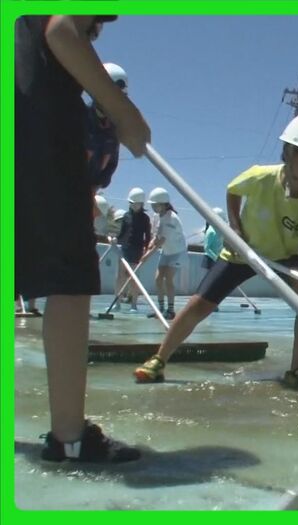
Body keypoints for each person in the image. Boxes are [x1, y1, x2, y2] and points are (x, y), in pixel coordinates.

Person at [133, 111, 298, 388]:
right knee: (199, 305)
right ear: (292, 152)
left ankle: (297, 368)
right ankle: (159, 360)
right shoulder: (260, 177)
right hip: (242, 253)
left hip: (285, 257)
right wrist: (236, 230)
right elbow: (232, 190)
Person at [16, 15, 150, 462]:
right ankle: (69, 439)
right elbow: (61, 28)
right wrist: (124, 112)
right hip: (36, 131)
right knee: (71, 280)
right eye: (97, 26)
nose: (105, 22)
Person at [145, 187, 186, 320]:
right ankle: (160, 309)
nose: (152, 207)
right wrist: (150, 243)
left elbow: (161, 240)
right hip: (166, 251)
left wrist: (147, 256)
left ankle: (170, 310)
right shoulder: (157, 217)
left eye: (155, 204)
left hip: (177, 252)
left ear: (163, 204)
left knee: (168, 279)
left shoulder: (172, 218)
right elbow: (156, 236)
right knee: (158, 279)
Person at [86, 62, 125, 193]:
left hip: (84, 195)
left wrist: (91, 193)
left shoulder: (114, 134)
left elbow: (110, 167)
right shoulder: (78, 118)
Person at [115, 187, 152, 312]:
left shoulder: (145, 218)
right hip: (125, 249)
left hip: (137, 250)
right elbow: (122, 233)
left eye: (136, 203)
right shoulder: (126, 216)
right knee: (120, 276)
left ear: (141, 204)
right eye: (131, 203)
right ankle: (117, 303)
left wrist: (146, 250)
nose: (133, 205)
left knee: (133, 278)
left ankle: (134, 305)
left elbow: (148, 236)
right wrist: (115, 239)